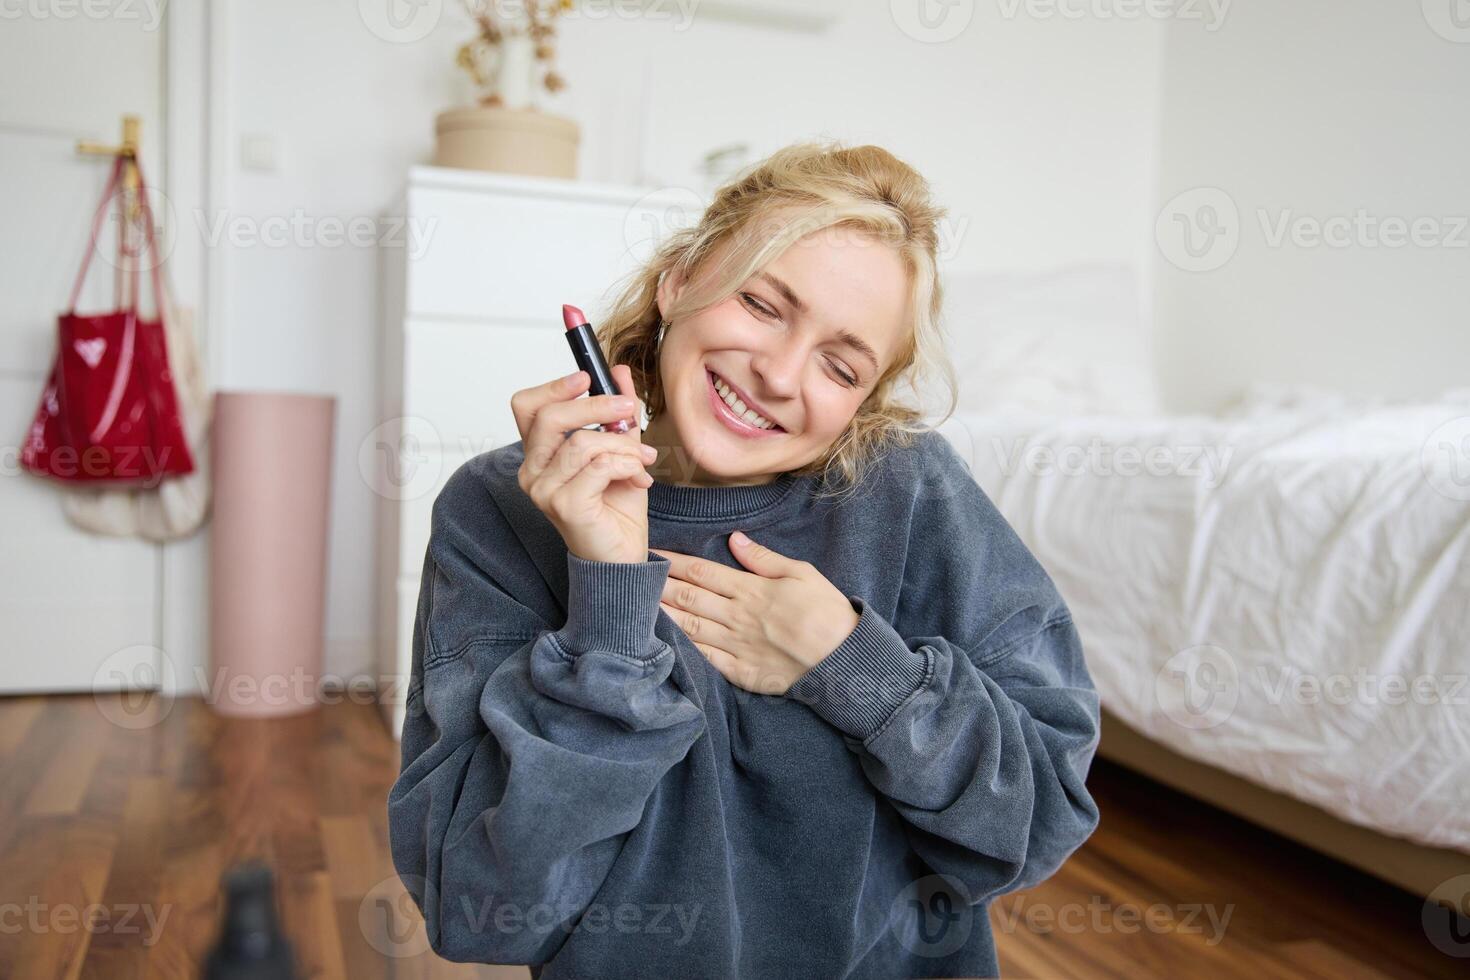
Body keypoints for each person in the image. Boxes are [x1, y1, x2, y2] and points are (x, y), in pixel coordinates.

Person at [387, 140, 1101, 979]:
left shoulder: (910, 493)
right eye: (763, 305)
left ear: (865, 401)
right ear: (680, 277)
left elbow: (1042, 815)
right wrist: (610, 602)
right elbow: (481, 908)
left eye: (841, 364)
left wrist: (854, 667)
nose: (778, 373)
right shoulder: (503, 509)